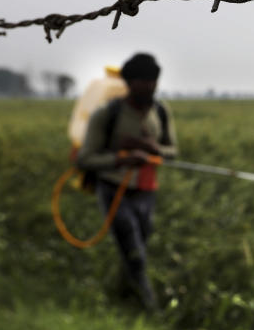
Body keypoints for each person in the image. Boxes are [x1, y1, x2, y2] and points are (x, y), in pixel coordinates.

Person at [75, 52, 177, 312]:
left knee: (136, 247)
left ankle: (123, 294)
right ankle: (151, 309)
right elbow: (85, 159)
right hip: (113, 189)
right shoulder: (107, 114)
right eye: (144, 82)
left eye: (154, 81)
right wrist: (122, 159)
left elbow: (172, 151)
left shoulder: (161, 112)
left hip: (146, 190)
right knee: (133, 249)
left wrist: (153, 149)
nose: (151, 87)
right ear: (130, 83)